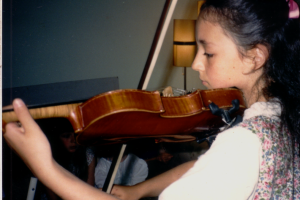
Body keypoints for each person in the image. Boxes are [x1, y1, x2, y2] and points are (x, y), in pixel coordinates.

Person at [4, 0, 300, 199]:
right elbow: (210, 166)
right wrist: (141, 189)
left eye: (207, 52)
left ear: (254, 57)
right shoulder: (279, 114)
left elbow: (231, 156)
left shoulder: (243, 142)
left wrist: (45, 167)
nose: (196, 64)